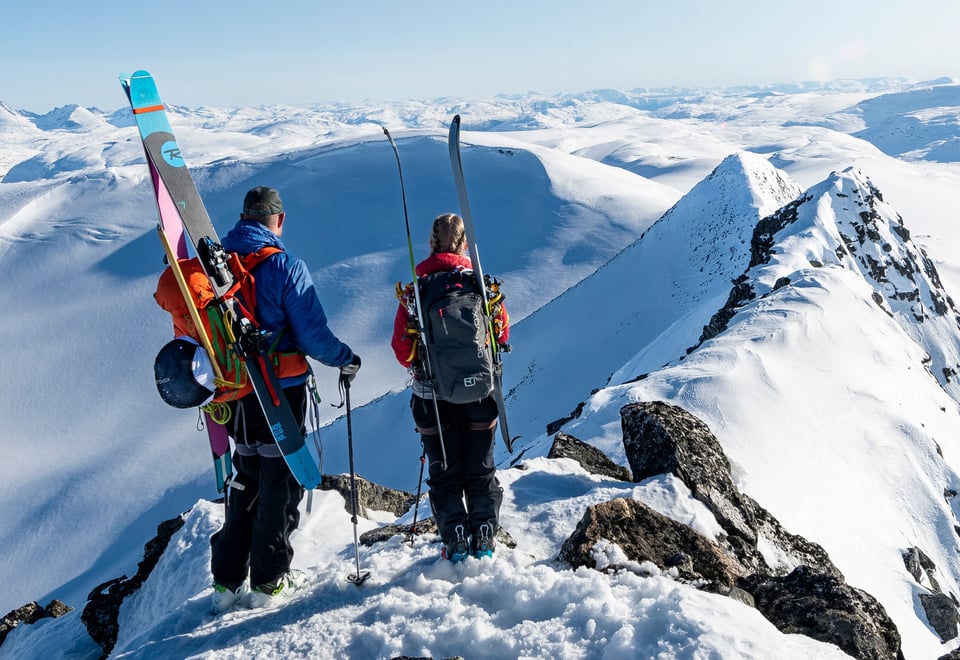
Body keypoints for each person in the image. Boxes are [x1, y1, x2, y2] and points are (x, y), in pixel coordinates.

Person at [210, 186, 361, 612]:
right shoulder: (285, 266)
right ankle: (269, 580)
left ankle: (226, 581)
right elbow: (313, 337)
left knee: (246, 475)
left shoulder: (216, 266)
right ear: (279, 220)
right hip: (280, 393)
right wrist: (346, 359)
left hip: (236, 391)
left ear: (243, 216)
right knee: (279, 482)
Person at [391, 212, 509, 562]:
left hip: (432, 398)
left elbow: (401, 351)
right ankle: (484, 536)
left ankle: (456, 539)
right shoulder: (481, 287)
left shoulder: (416, 292)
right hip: (480, 394)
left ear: (432, 242)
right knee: (481, 468)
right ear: (463, 243)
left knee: (444, 474)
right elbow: (501, 335)